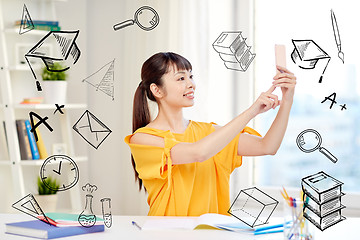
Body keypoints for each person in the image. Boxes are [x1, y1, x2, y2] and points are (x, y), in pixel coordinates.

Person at [124, 52, 296, 216]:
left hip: (212, 233)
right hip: (166, 234)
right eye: (181, 78)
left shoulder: (209, 133)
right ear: (157, 90)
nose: (191, 84)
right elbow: (198, 153)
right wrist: (252, 111)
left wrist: (287, 99)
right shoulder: (143, 139)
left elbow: (267, 146)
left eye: (191, 77)